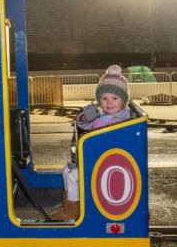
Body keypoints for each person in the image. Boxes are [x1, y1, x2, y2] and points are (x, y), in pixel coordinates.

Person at [50, 64, 132, 221]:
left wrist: (96, 121)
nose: (109, 102)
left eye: (115, 98)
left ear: (123, 101)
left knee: (73, 175)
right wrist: (86, 118)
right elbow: (85, 125)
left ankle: (72, 213)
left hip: (107, 164)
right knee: (66, 170)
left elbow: (101, 134)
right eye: (104, 98)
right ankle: (72, 206)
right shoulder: (104, 115)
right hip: (98, 159)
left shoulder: (122, 118)